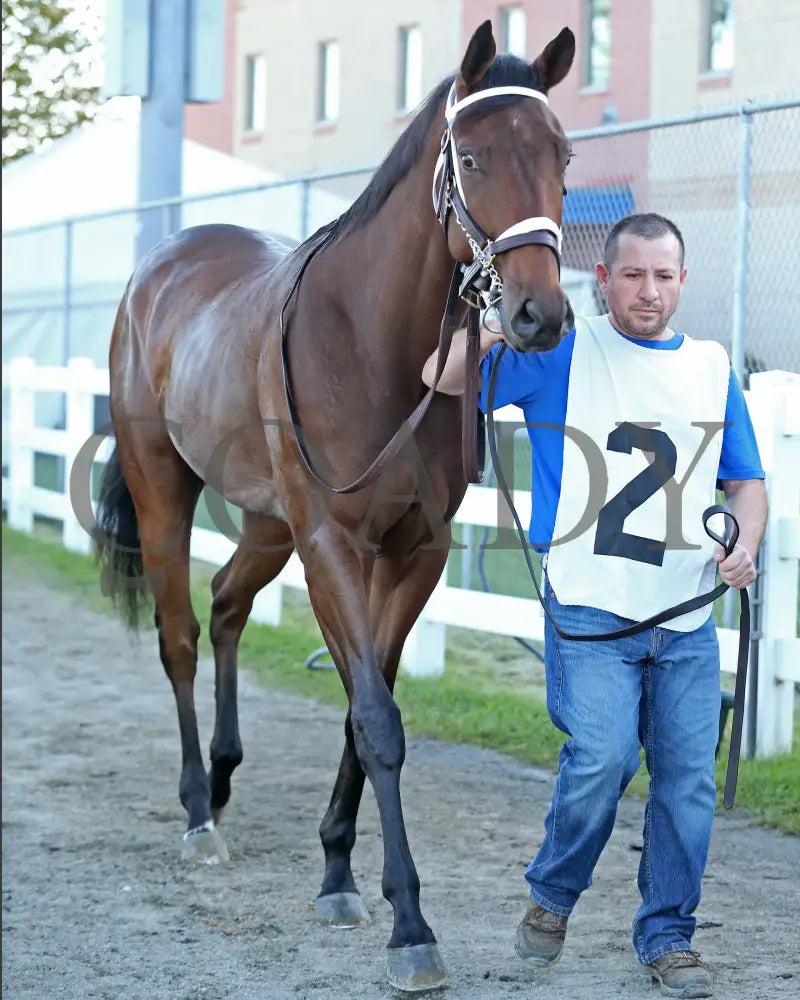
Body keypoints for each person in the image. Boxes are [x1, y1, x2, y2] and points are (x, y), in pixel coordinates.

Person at [421, 213, 767, 999]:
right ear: (604, 279)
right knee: (601, 761)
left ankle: (669, 936)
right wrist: (490, 317)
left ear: (684, 280)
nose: (650, 291)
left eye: (664, 275)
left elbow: (746, 481)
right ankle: (553, 892)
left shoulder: (713, 368)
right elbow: (440, 377)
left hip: (684, 616)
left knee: (686, 785)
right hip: (589, 610)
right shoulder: (558, 352)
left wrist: (744, 541)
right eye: (634, 275)